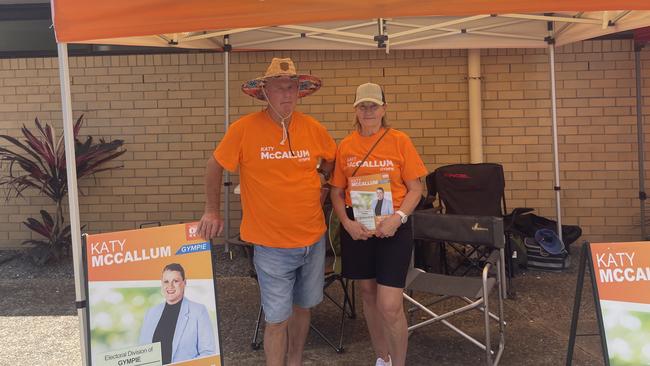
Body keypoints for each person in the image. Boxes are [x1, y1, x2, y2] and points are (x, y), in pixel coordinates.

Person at [197, 58, 336, 366]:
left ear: (300, 93)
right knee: (276, 318)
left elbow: (330, 161)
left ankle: (296, 361)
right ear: (264, 93)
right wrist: (211, 210)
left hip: (312, 240)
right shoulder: (243, 129)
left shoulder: (314, 128)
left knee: (304, 308)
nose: (287, 94)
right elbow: (215, 165)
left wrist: (323, 181)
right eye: (279, 88)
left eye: (292, 88)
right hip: (270, 245)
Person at [330, 83, 427, 366]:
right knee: (368, 295)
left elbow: (415, 188)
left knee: (390, 304)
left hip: (393, 229)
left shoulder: (399, 141)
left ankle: (399, 362)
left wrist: (398, 219)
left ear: (384, 109)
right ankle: (381, 358)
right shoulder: (345, 146)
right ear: (355, 110)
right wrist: (347, 224)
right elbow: (336, 192)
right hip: (357, 230)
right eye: (363, 106)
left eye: (374, 106)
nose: (368, 111)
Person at [139, 263, 216, 365]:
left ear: (184, 282)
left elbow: (208, 353)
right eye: (166, 281)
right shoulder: (151, 313)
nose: (170, 286)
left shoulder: (198, 311)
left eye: (175, 281)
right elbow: (143, 352)